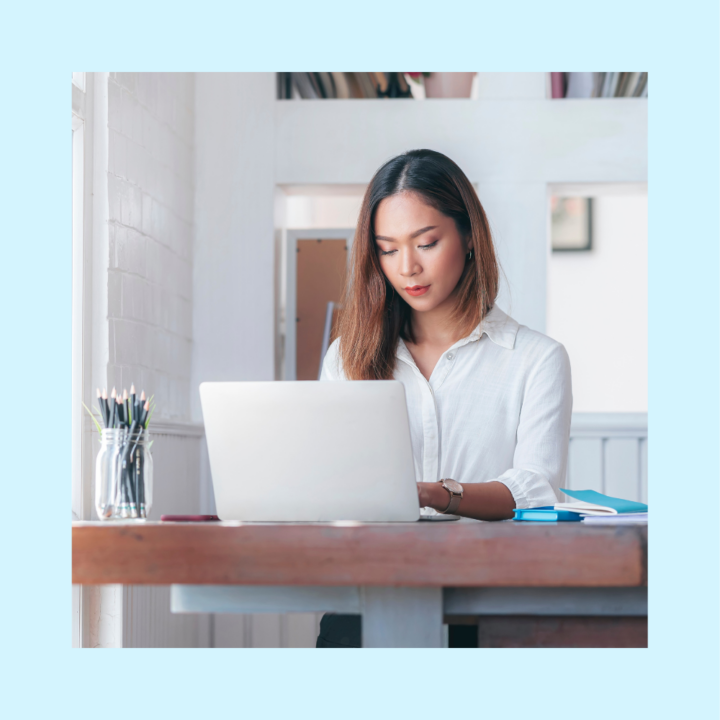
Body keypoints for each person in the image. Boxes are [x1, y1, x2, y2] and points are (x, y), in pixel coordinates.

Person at [315, 149, 572, 648]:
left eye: (426, 242)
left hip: (489, 604)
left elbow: (536, 488)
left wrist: (437, 493)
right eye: (387, 249)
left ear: (470, 235)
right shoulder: (348, 357)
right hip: (368, 598)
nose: (407, 266)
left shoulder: (536, 359)